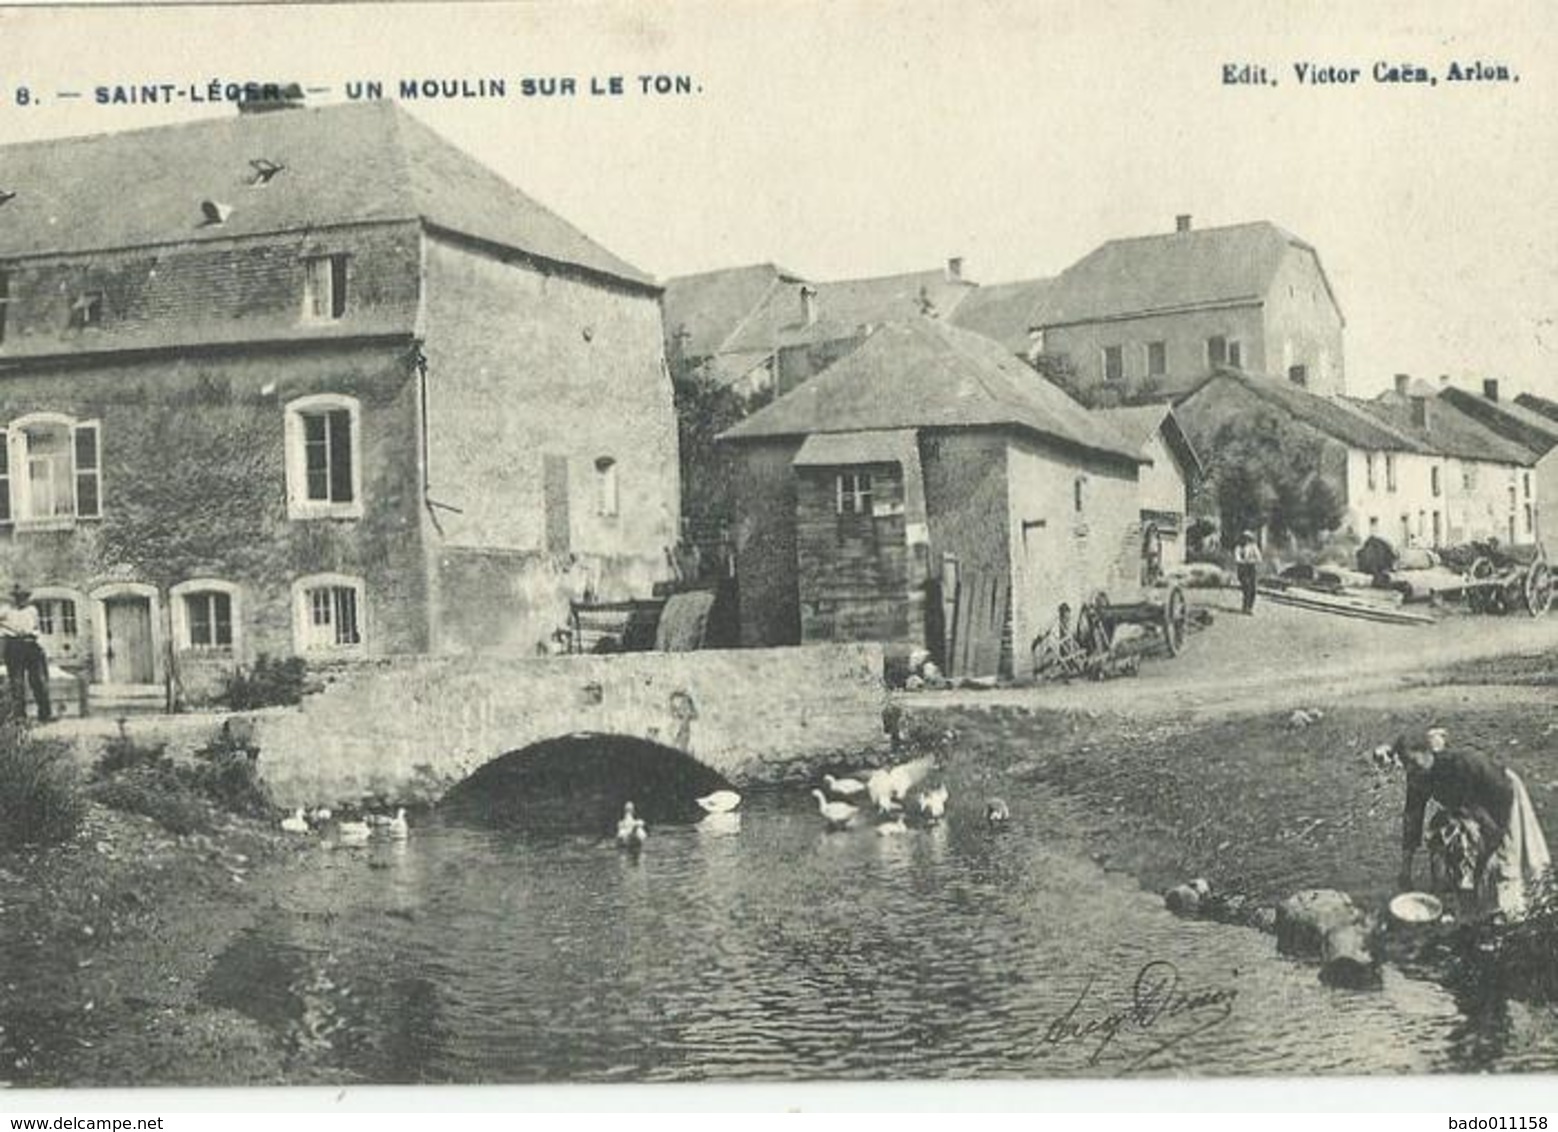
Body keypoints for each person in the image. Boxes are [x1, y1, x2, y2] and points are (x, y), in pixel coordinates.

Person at [1385, 728, 1552, 920]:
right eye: (1406, 764)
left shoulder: (1459, 764)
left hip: (1499, 795)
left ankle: (1515, 910)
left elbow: (1496, 803)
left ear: (1427, 752)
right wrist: (1405, 868)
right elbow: (1412, 816)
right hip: (1467, 809)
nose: (1410, 769)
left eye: (1413, 762)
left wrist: (1491, 841)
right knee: (1453, 844)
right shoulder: (1417, 775)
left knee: (1504, 859)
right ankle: (1470, 906)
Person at [0, 587, 52, 723]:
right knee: (17, 682)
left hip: (31, 645)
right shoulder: (5, 610)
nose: (21, 600)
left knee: (38, 680)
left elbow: (37, 628)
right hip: (14, 645)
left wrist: (41, 645)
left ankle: (45, 714)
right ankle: (20, 716)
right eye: (18, 597)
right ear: (14, 598)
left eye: (24, 597)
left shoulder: (32, 611)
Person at [1233, 530, 1262, 614]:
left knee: (1253, 588)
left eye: (1247, 538)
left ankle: (1250, 607)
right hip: (1242, 569)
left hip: (1252, 569)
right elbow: (1237, 559)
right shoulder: (1238, 547)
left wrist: (1250, 560)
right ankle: (1245, 607)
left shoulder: (1253, 547)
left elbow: (1259, 558)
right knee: (1246, 587)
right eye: (1244, 538)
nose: (1245, 540)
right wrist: (1246, 561)